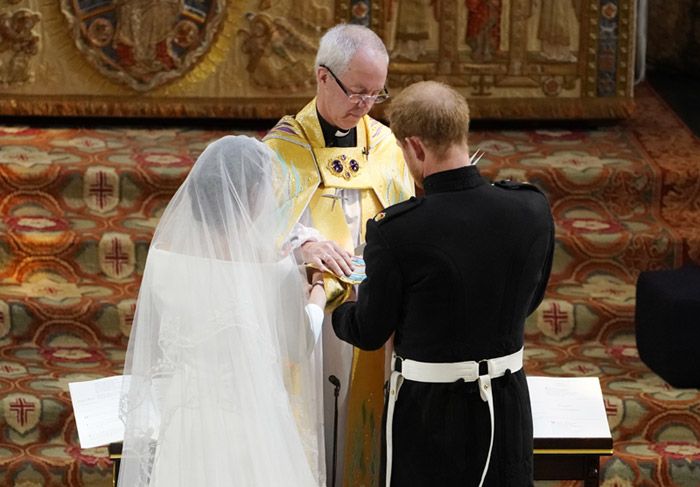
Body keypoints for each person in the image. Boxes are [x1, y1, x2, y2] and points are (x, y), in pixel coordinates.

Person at [332, 81, 555, 486]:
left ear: (414, 147)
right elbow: (530, 299)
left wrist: (336, 305)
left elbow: (369, 330)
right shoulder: (531, 207)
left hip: (431, 414)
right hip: (508, 402)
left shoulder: (398, 231)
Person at [118, 136, 326, 486]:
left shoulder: (163, 260)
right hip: (252, 420)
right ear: (249, 195)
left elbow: (154, 340)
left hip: (186, 422)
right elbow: (298, 345)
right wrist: (317, 295)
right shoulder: (270, 266)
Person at [263, 23, 414, 485]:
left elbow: (407, 217)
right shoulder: (283, 147)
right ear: (322, 77)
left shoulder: (384, 145)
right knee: (310, 406)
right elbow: (262, 227)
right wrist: (303, 242)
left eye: (375, 94)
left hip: (370, 304)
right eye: (357, 92)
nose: (365, 105)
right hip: (304, 302)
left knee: (361, 409)